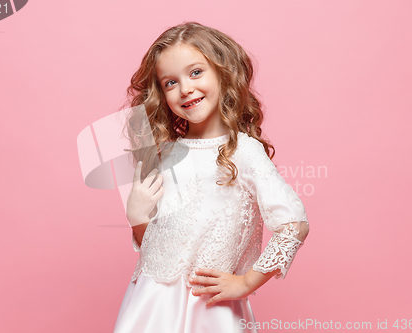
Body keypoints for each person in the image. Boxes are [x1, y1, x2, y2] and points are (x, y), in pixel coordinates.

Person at [113, 21, 309, 333]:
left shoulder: (242, 152)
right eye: (170, 83)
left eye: (195, 72)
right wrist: (137, 219)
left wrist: (247, 281)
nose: (185, 88)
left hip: (209, 309)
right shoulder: (163, 155)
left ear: (222, 73)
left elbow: (294, 223)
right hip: (151, 307)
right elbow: (158, 249)